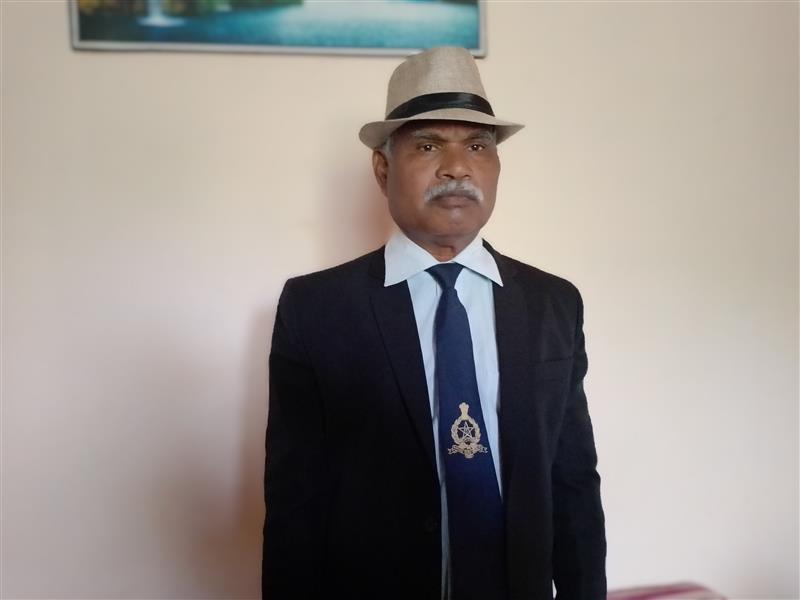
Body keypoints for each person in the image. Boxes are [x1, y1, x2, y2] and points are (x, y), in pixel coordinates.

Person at [263, 46, 606, 600]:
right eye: (428, 145)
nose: (457, 167)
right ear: (383, 169)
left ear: (497, 166)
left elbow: (573, 482)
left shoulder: (553, 303)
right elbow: (294, 501)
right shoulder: (316, 308)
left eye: (477, 146)